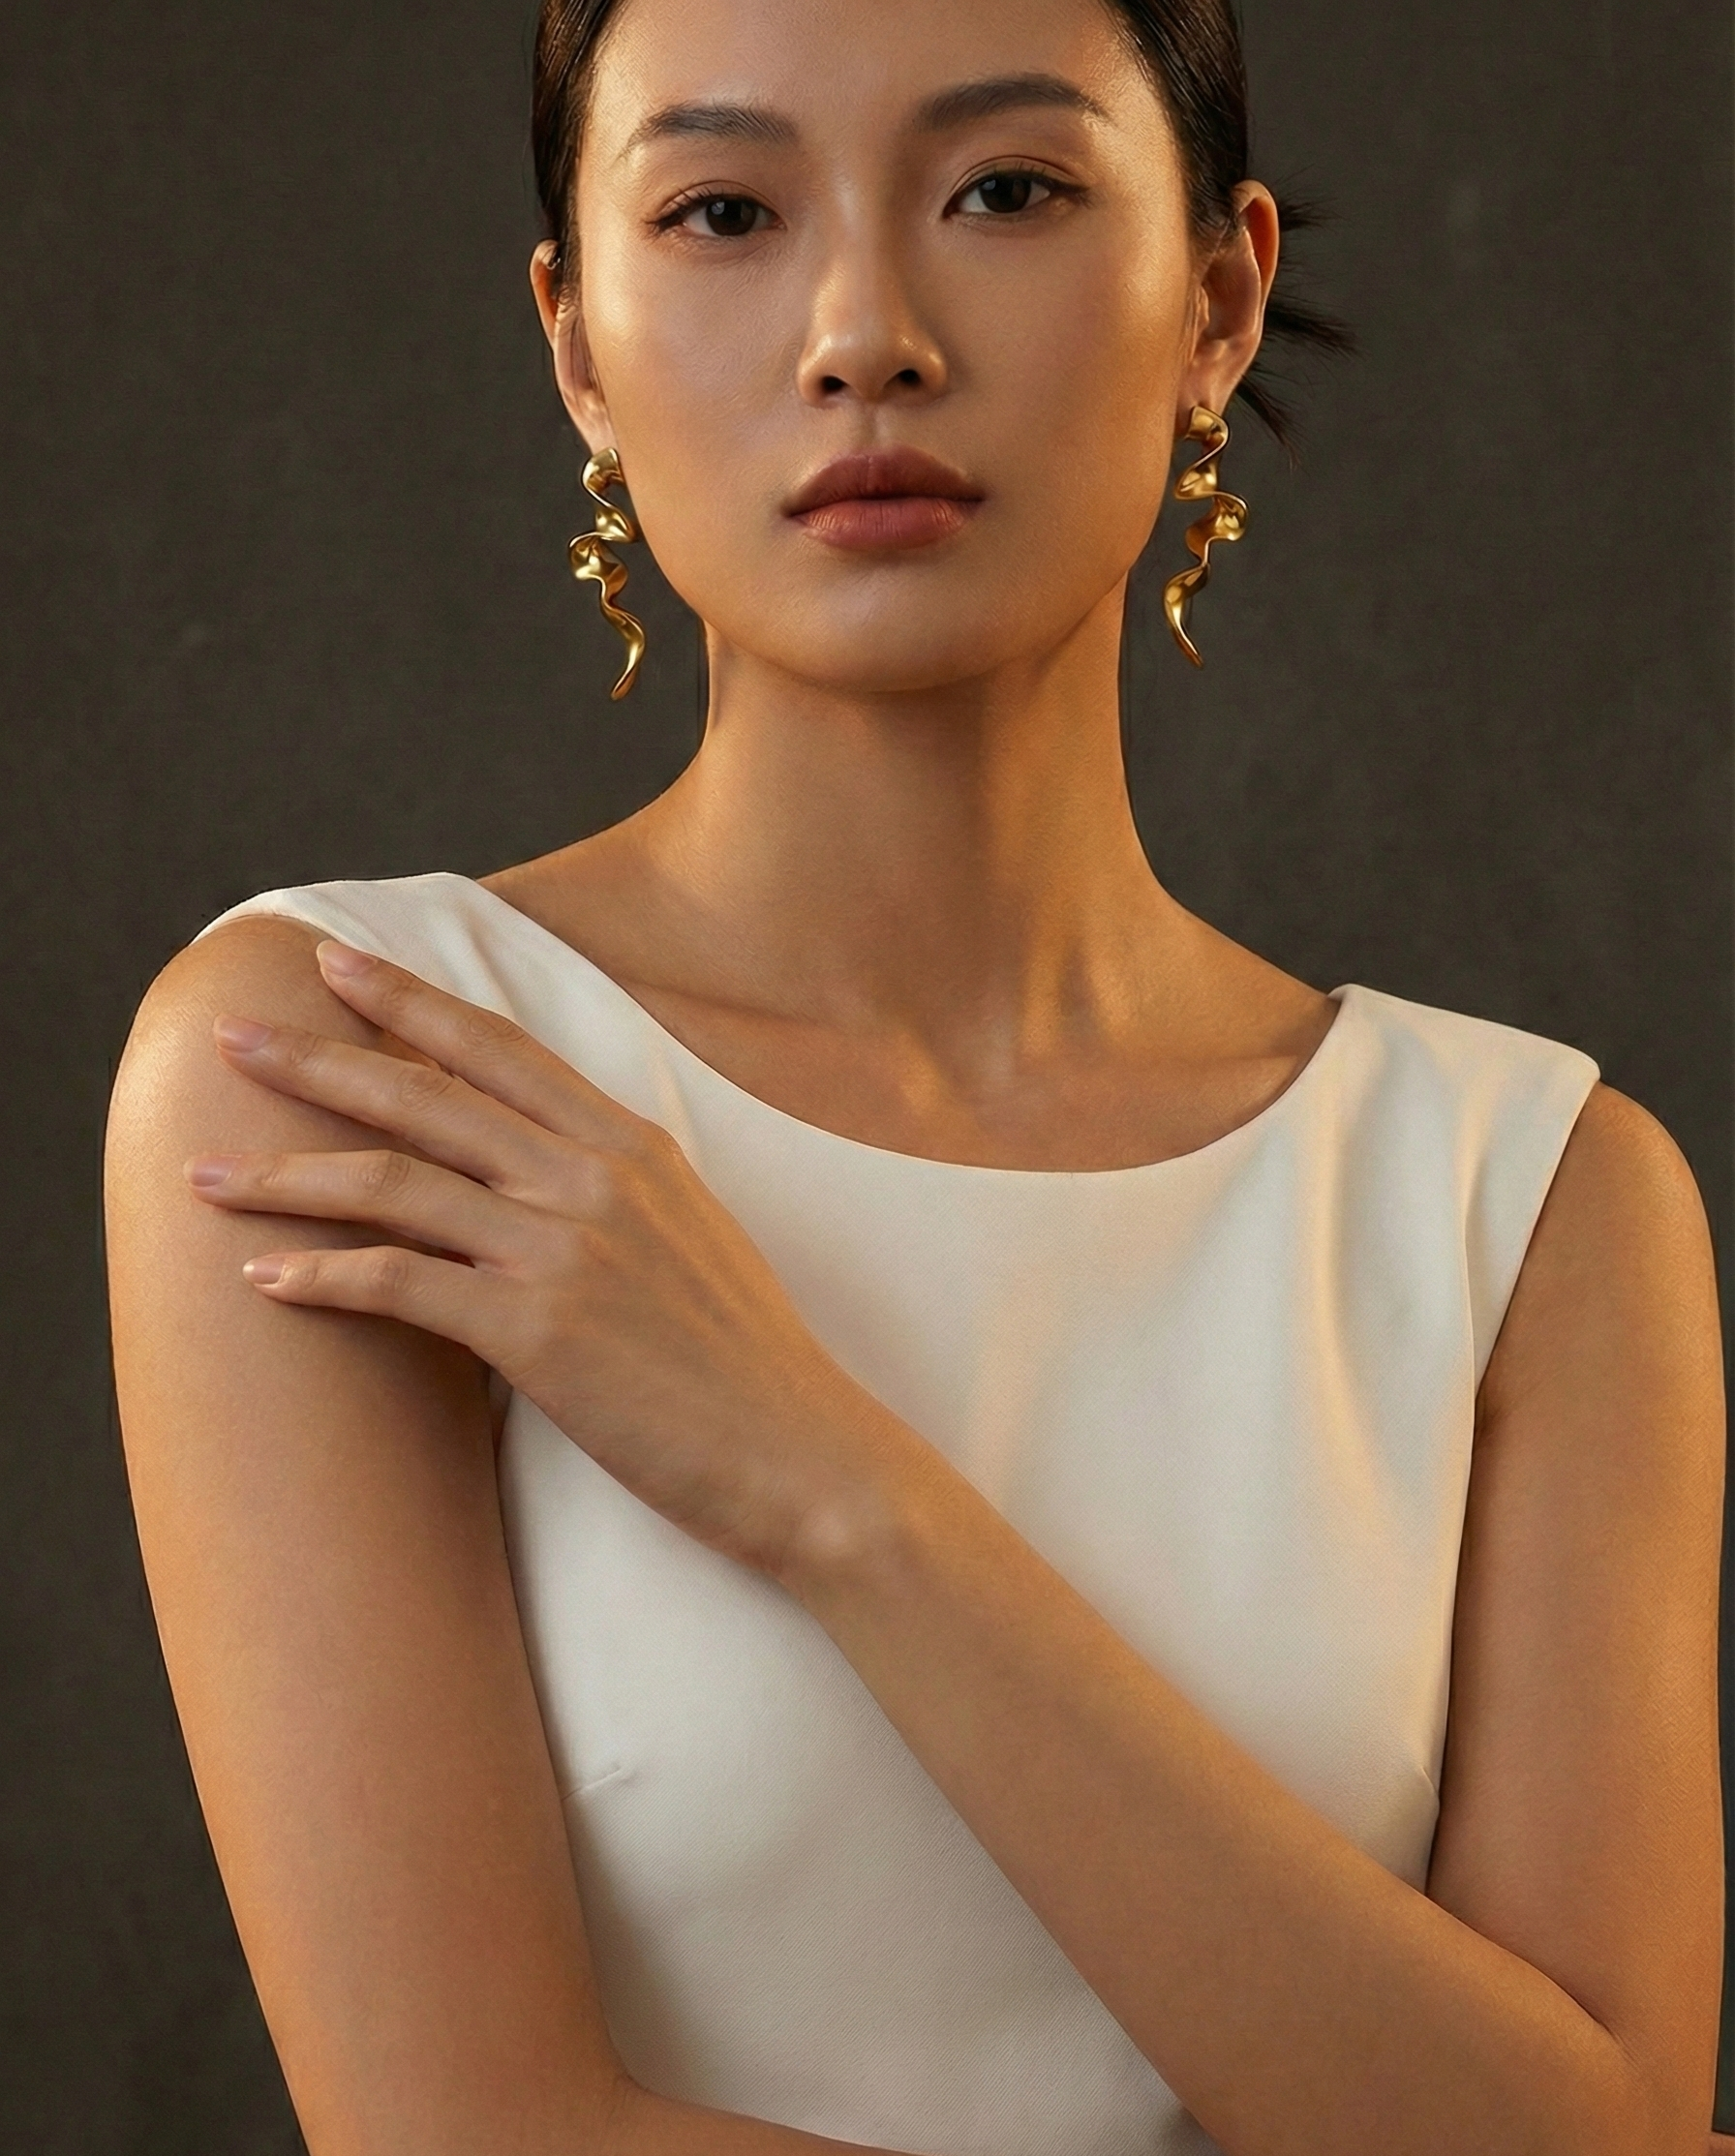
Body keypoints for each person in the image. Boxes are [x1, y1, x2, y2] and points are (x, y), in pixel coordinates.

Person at [103, 0, 1725, 2150]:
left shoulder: (1525, 1201)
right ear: (576, 342)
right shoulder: (351, 1065)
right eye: (718, 211)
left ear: (1217, 298)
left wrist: (822, 1483)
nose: (861, 329)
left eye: (1004, 191)